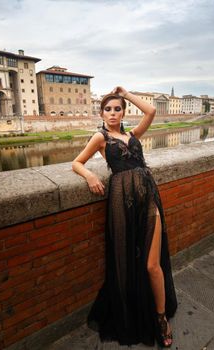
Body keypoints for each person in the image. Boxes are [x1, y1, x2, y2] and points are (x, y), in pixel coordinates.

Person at [72, 86, 177, 347]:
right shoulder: (100, 138)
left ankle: (161, 318)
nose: (112, 113)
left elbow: (151, 111)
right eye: (108, 109)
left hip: (149, 197)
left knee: (153, 264)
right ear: (101, 112)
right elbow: (76, 163)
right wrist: (90, 175)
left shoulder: (133, 134)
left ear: (123, 112)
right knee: (126, 258)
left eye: (117, 109)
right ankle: (135, 310)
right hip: (122, 201)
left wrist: (125, 93)